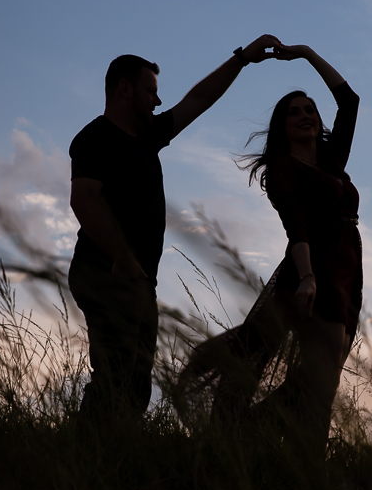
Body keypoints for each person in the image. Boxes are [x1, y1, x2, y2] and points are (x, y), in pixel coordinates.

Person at [68, 36, 283, 422]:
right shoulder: (95, 138)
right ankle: (86, 454)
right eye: (150, 91)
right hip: (106, 274)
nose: (157, 100)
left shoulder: (147, 138)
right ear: (124, 89)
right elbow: (83, 200)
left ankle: (114, 458)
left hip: (137, 279)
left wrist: (242, 60)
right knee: (117, 375)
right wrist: (122, 259)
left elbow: (197, 101)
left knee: (135, 380)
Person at [179, 45, 360, 457]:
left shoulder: (332, 162)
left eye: (310, 108)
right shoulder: (283, 167)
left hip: (348, 270)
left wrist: (306, 54)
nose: (306, 115)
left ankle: (257, 431)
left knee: (321, 377)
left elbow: (349, 101)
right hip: (313, 269)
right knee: (308, 373)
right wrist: (309, 276)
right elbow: (295, 224)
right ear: (281, 126)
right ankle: (308, 462)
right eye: (294, 111)